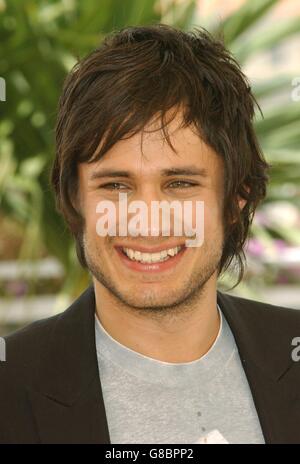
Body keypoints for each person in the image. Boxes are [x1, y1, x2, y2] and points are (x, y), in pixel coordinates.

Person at [1, 24, 299, 444]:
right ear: (75, 199)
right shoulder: (10, 386)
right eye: (116, 185)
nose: (145, 219)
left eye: (179, 184)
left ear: (236, 198)